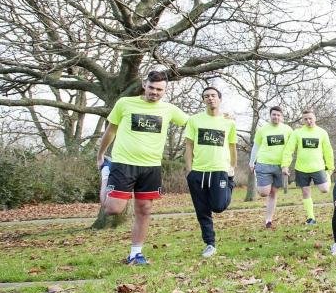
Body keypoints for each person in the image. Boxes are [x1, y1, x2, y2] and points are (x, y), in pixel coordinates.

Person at [96, 69, 189, 265]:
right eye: (152, 87)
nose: (155, 92)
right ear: (144, 85)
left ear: (164, 91)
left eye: (159, 90)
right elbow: (111, 130)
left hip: (151, 167)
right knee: (113, 209)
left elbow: (193, 123)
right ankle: (106, 174)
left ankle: (135, 254)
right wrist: (100, 155)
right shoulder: (125, 103)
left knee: (144, 209)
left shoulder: (169, 110)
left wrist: (222, 117)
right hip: (123, 163)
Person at [184, 86, 237, 258]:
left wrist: (232, 170)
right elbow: (189, 146)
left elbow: (232, 147)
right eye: (206, 96)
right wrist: (189, 170)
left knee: (218, 206)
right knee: (202, 210)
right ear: (203, 100)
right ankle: (210, 244)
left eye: (213, 95)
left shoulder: (228, 122)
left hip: (220, 170)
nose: (210, 98)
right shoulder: (194, 120)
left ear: (219, 99)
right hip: (198, 172)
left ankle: (230, 185)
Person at [281, 109, 334, 225]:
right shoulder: (297, 133)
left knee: (324, 190)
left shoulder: (322, 132)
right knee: (305, 191)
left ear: (314, 118)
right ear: (302, 120)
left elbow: (328, 150)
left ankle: (327, 177)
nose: (308, 121)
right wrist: (285, 165)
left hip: (318, 167)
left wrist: (330, 167)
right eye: (306, 119)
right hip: (301, 168)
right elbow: (289, 149)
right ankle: (311, 218)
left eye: (310, 118)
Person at [249, 105, 293, 228]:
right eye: (274, 114)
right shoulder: (262, 130)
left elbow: (291, 148)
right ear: (270, 116)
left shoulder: (288, 130)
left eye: (278, 115)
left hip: (280, 165)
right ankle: (259, 179)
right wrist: (252, 162)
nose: (276, 117)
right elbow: (256, 147)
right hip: (263, 163)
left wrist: (286, 165)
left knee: (273, 192)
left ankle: (268, 220)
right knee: (264, 193)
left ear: (282, 117)